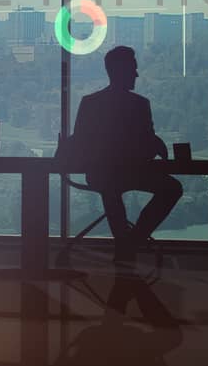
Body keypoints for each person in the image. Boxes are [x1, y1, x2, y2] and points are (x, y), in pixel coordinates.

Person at [68, 46, 181, 266]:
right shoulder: (140, 104)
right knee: (172, 189)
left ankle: (125, 246)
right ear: (122, 71)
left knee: (110, 188)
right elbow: (148, 145)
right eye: (133, 69)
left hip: (100, 174)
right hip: (133, 172)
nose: (136, 74)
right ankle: (132, 242)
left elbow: (81, 141)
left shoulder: (90, 103)